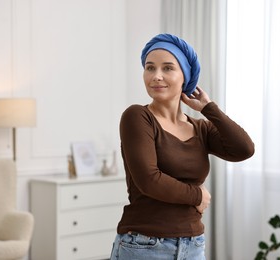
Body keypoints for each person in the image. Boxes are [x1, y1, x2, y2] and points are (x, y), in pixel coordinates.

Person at [109, 33, 255, 260]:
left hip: (193, 244)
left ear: (184, 76)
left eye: (167, 68)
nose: (156, 76)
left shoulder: (200, 128)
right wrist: (197, 195)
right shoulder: (137, 117)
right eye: (150, 68)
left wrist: (209, 108)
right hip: (144, 245)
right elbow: (150, 180)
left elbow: (244, 149)